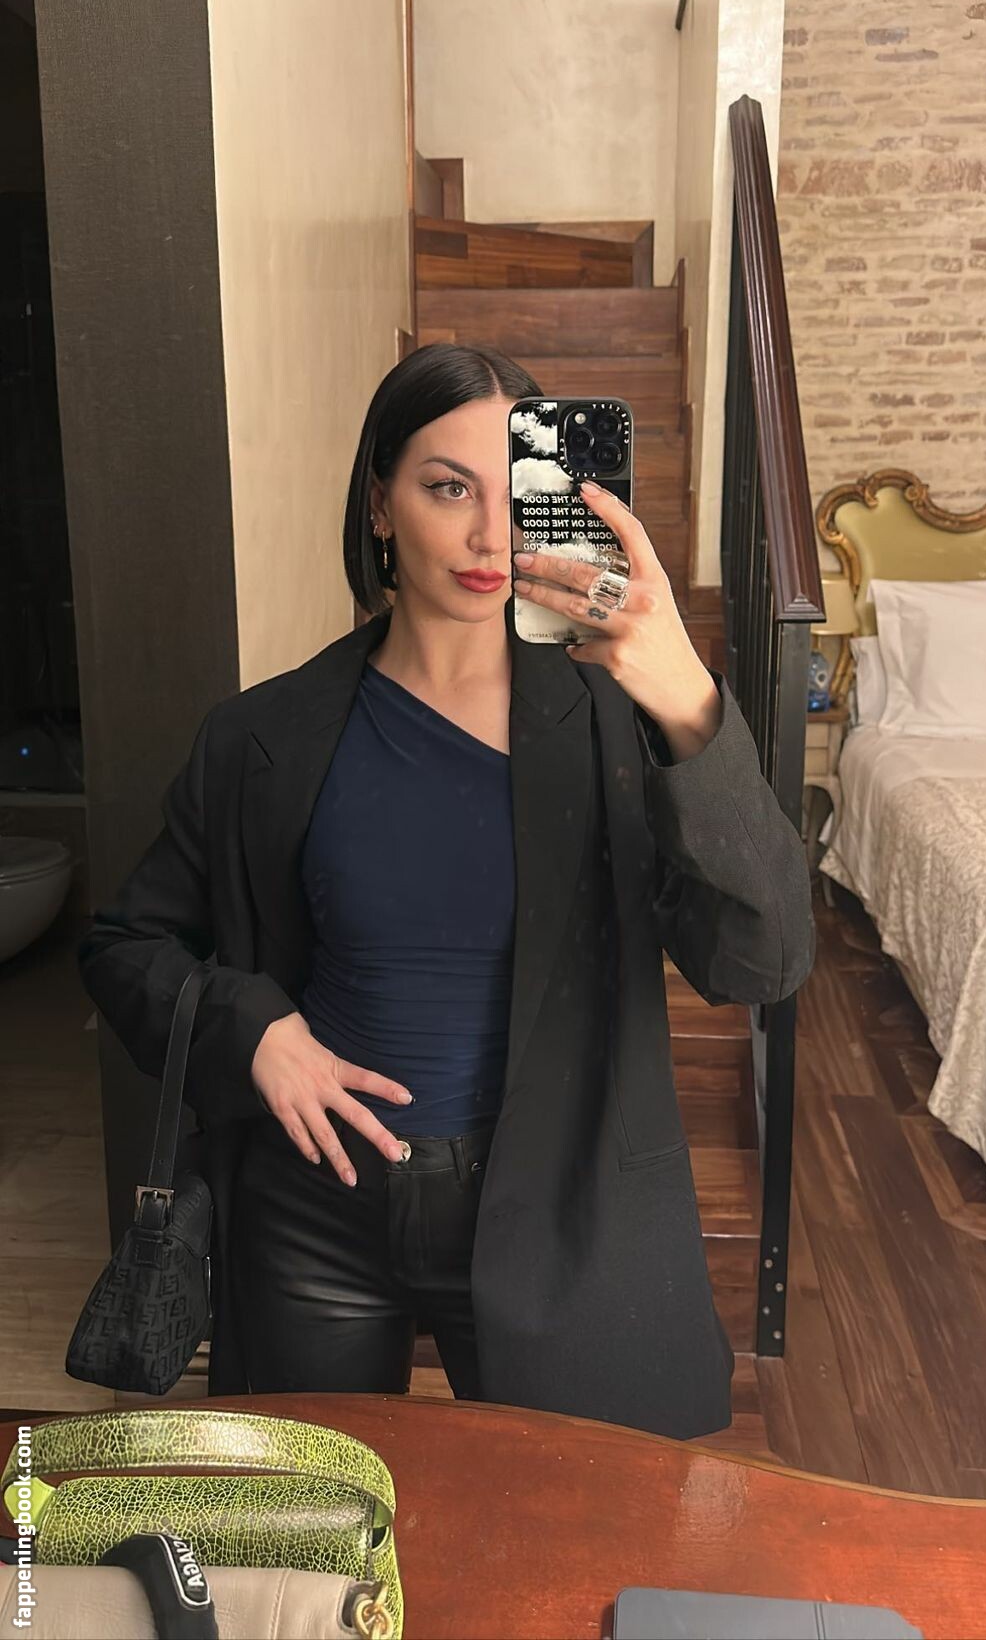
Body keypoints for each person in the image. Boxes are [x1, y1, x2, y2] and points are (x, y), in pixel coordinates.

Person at [78, 341, 815, 1438]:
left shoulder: (620, 726)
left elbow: (764, 958)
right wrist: (253, 1030)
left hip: (559, 1210)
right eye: (446, 488)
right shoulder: (261, 737)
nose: (488, 538)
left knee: (575, 1527)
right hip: (311, 1211)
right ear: (381, 506)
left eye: (516, 494)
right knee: (305, 1517)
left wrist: (688, 703)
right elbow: (124, 944)